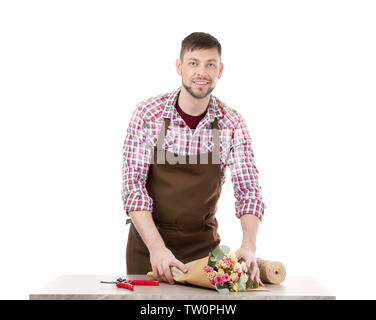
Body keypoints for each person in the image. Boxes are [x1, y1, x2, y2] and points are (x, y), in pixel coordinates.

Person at [122, 32, 266, 286]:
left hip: (204, 253)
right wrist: (157, 248)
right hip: (149, 250)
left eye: (210, 64)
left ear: (220, 70)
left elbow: (249, 190)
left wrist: (249, 246)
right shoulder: (147, 115)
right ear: (179, 67)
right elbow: (133, 188)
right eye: (193, 63)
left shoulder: (231, 123)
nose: (202, 72)